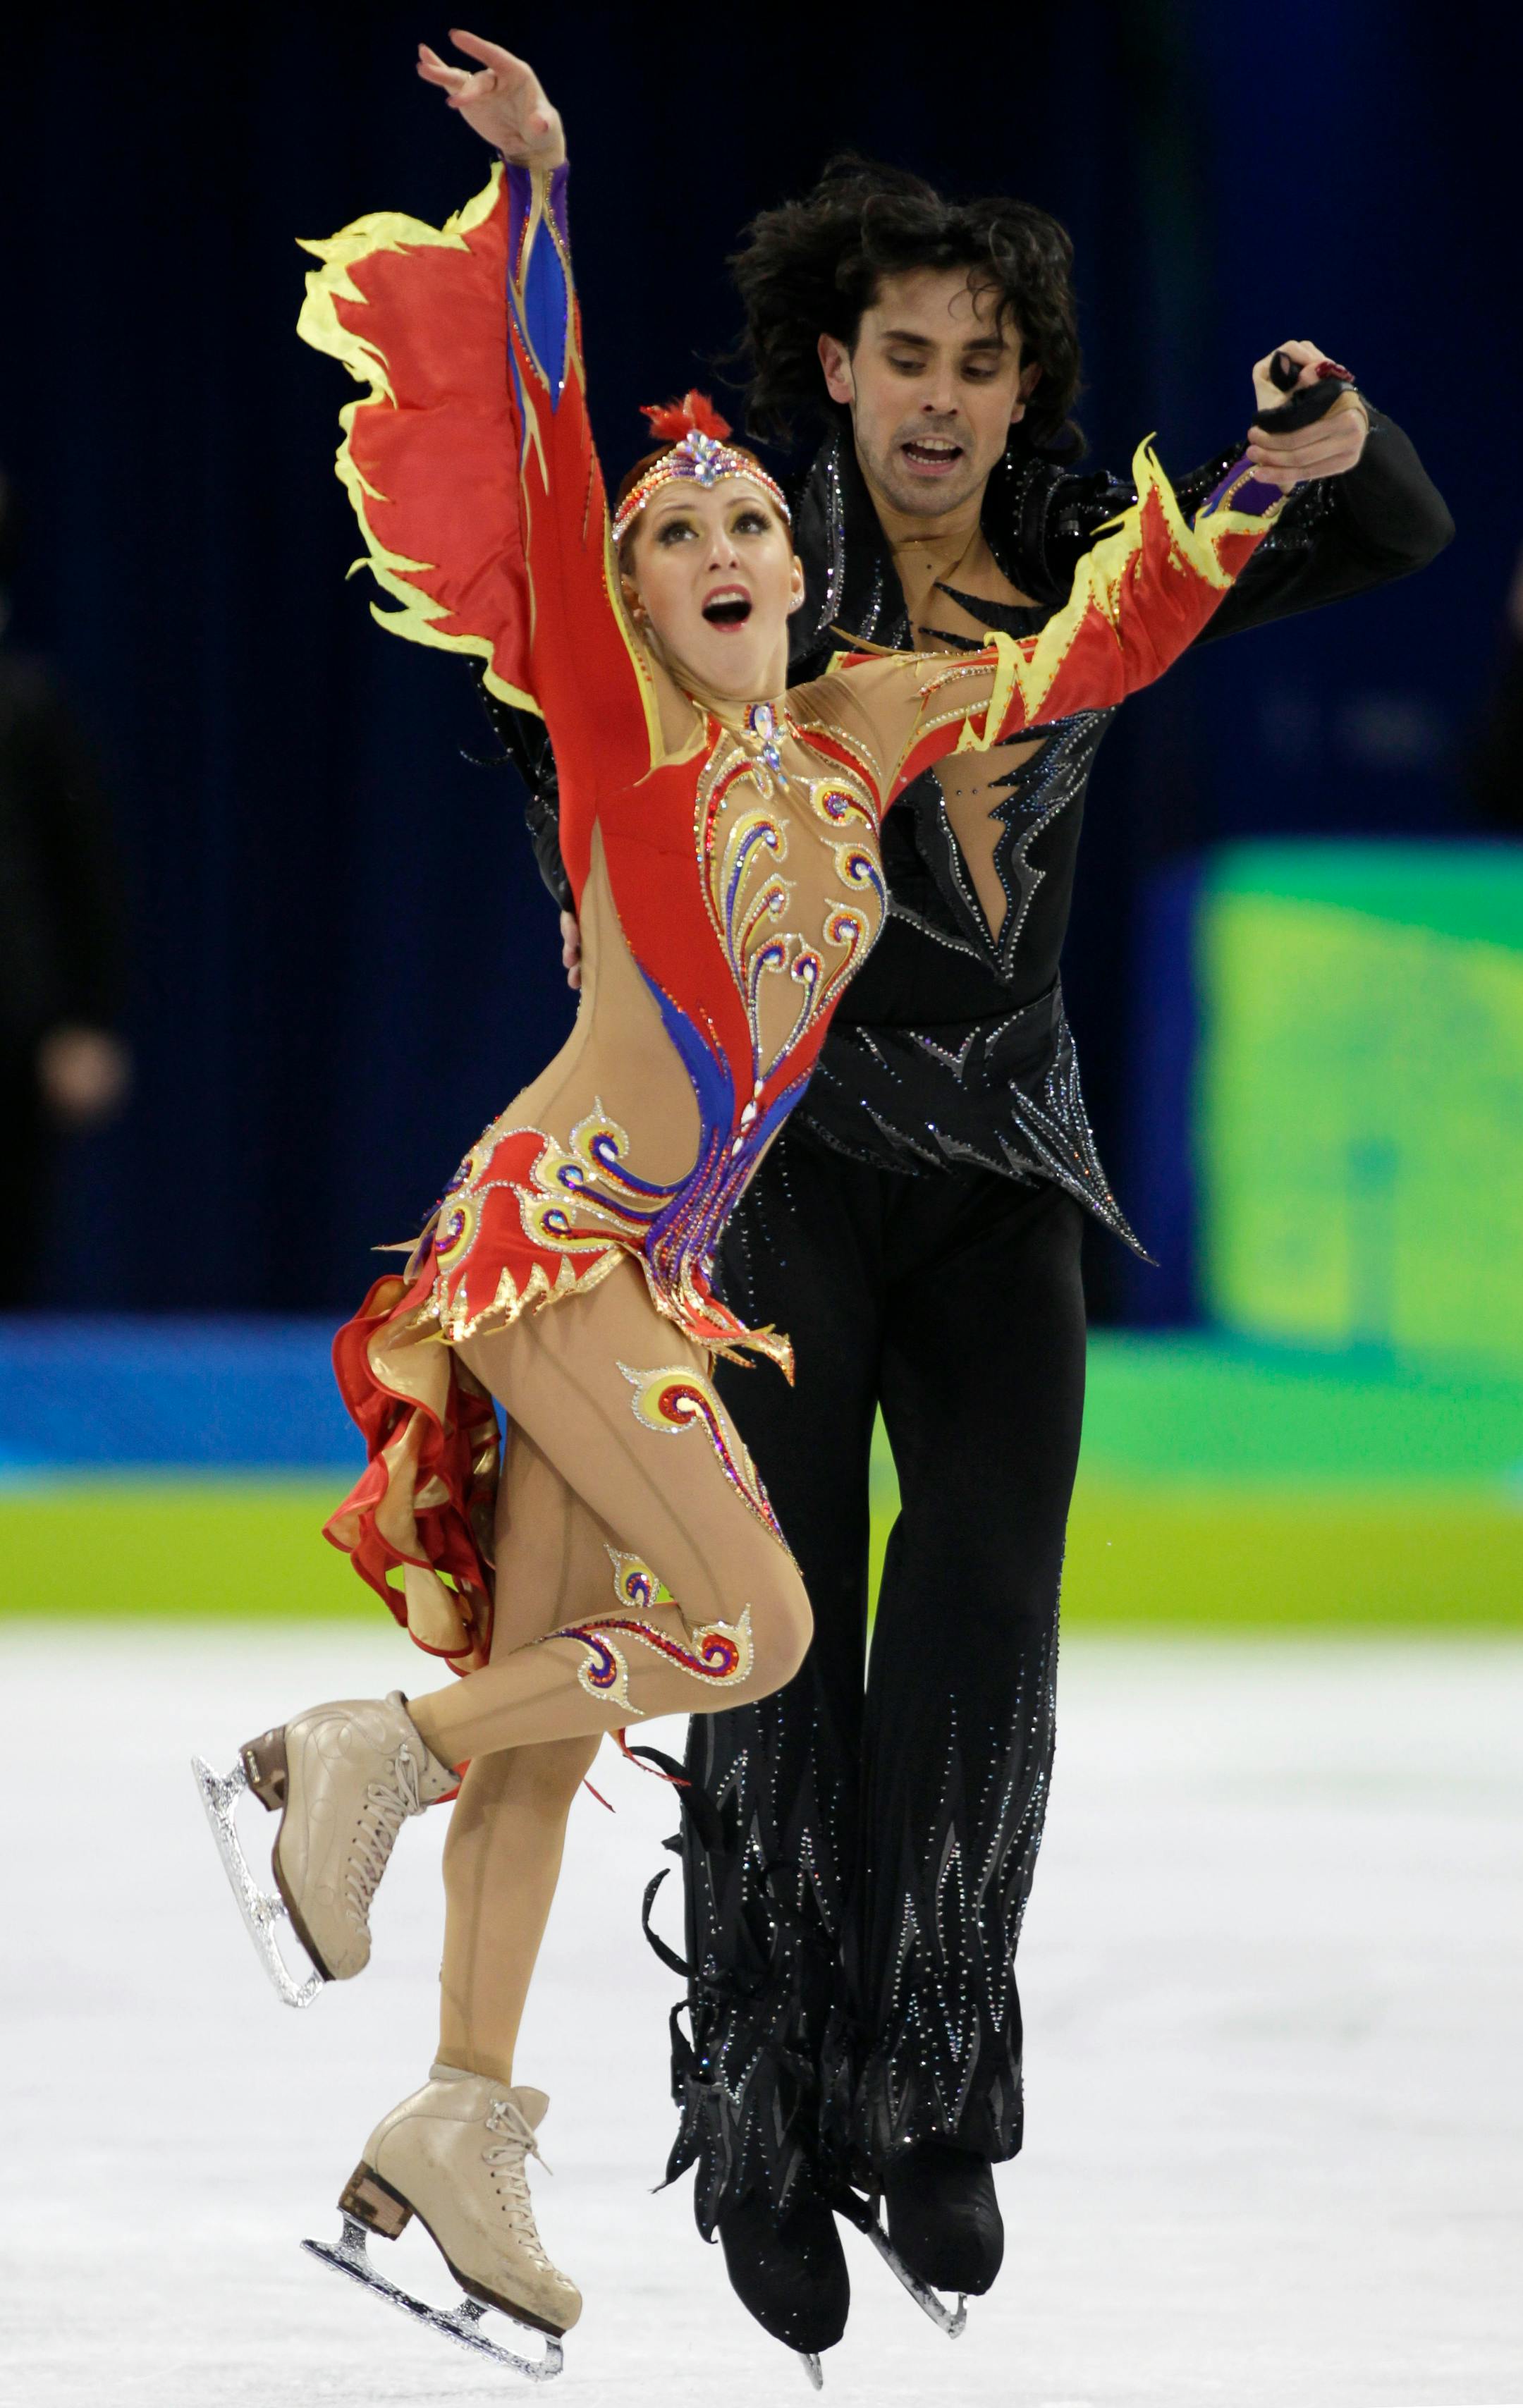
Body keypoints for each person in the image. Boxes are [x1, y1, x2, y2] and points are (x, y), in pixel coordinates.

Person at [198, 30, 1289, 2371]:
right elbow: (546, 429)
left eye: (744, 530)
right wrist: (549, 194)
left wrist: (1250, 503)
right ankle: (366, 1752)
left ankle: (464, 2121)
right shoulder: (619, 726)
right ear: (636, 593)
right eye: (672, 536)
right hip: (559, 1238)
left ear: (805, 571)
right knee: (768, 1638)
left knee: (568, 1712)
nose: (712, 551)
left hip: (651, 1276)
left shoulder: (879, 724)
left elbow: (1096, 641)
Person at [505, 162, 1454, 2352]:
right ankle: (756, 2111)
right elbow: (548, 686)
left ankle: (930, 2094)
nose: (939, 402)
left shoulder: (1098, 562)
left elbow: (1392, 524)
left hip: (1006, 1168)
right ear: (831, 367)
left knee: (989, 1615)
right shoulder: (738, 559)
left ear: (1027, 383)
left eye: (982, 362)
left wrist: (1334, 434)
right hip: (779, 1168)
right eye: (903, 357)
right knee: (774, 1637)